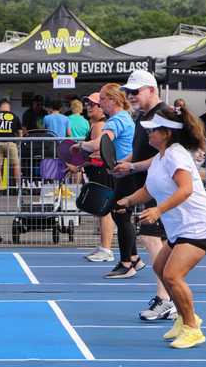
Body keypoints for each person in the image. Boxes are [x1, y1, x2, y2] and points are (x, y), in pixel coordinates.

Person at [117, 107, 206, 349]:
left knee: (173, 276)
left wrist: (158, 211)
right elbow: (149, 189)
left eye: (152, 131)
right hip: (181, 229)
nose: (149, 135)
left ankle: (193, 329)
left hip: (199, 226)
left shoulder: (176, 155)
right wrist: (128, 201)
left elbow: (185, 189)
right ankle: (188, 318)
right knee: (160, 268)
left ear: (165, 133)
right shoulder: (161, 157)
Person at [112, 70, 176, 321]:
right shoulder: (144, 116)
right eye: (129, 92)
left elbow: (165, 156)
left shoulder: (162, 115)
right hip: (151, 188)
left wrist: (133, 167)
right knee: (158, 245)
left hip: (162, 191)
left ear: (151, 89)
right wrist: (124, 163)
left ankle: (166, 299)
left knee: (154, 242)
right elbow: (139, 153)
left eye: (135, 91)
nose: (131, 96)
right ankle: (168, 298)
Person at [77, 83, 138, 279]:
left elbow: (100, 142)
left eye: (102, 99)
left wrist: (80, 145)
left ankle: (127, 263)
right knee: (121, 215)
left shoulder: (115, 121)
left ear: (112, 100)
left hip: (125, 173)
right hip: (125, 172)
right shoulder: (124, 117)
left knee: (120, 214)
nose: (100, 103)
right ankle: (134, 258)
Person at [80, 93, 115, 263]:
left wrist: (79, 164)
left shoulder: (99, 126)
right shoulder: (98, 125)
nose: (88, 107)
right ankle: (103, 246)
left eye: (92, 104)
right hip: (99, 172)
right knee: (102, 211)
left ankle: (107, 249)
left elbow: (97, 155)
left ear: (101, 108)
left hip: (101, 173)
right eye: (87, 104)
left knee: (105, 211)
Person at [0, 99, 23, 191]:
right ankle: (18, 187)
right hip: (11, 143)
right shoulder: (15, 116)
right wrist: (17, 144)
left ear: (0, 107)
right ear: (9, 107)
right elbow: (20, 133)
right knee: (16, 165)